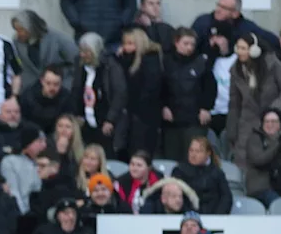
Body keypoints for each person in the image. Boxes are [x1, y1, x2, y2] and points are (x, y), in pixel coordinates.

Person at [227, 33, 281, 181]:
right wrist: (232, 129)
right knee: (244, 163)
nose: (239, 51)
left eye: (243, 48)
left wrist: (273, 110)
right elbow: (234, 102)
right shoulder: (236, 70)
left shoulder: (274, 65)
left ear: (254, 50)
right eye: (238, 48)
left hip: (276, 122)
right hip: (247, 123)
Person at [161, 28, 215, 164]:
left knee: (194, 158)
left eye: (192, 44)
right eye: (186, 43)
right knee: (172, 159)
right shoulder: (165, 62)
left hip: (195, 119)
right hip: (172, 120)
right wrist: (163, 106)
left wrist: (206, 107)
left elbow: (210, 87)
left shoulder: (201, 63)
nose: (189, 47)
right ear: (176, 42)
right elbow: (159, 87)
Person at [70, 33, 126, 155]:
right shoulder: (79, 65)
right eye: (81, 51)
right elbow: (76, 91)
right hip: (85, 123)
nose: (82, 55)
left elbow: (119, 94)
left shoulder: (111, 66)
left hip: (105, 123)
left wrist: (110, 119)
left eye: (86, 51)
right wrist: (76, 113)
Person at [117, 28, 164, 158]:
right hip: (134, 113)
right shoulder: (130, 59)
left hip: (144, 116)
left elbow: (150, 88)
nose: (126, 47)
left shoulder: (150, 59)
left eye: (130, 43)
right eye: (125, 43)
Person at [10, 10, 77, 96]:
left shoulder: (59, 39)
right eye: (16, 30)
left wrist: (65, 82)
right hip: (32, 92)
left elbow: (76, 61)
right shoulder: (17, 42)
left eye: (21, 30)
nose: (18, 33)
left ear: (32, 27)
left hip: (59, 89)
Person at [171, 137, 233, 215]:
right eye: (191, 150)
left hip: (214, 218)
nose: (193, 155)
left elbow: (226, 197)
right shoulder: (179, 171)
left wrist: (217, 217)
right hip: (187, 219)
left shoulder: (217, 173)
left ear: (208, 153)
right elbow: (175, 197)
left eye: (198, 151)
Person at [20, 64, 71, 134]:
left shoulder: (66, 98)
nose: (52, 88)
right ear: (42, 81)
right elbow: (22, 120)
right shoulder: (29, 95)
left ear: (61, 83)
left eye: (56, 84)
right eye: (48, 83)